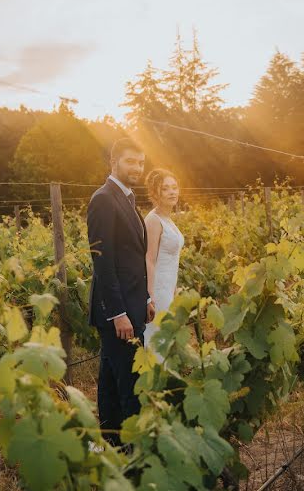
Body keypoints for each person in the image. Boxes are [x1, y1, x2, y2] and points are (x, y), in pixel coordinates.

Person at [86, 138, 154, 447]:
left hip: (133, 305)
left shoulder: (127, 198)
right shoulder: (103, 199)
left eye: (141, 163)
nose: (137, 168)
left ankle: (110, 446)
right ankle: (131, 452)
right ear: (114, 163)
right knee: (129, 386)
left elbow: (132, 257)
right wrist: (118, 313)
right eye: (131, 162)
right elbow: (103, 260)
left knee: (111, 383)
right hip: (118, 312)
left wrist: (147, 299)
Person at [142, 168, 184, 360]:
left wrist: (174, 289)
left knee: (166, 342)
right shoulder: (153, 220)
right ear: (155, 192)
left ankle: (164, 385)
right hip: (157, 291)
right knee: (157, 343)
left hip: (168, 289)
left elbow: (172, 260)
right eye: (165, 188)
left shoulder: (168, 219)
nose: (172, 192)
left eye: (174, 187)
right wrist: (150, 296)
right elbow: (149, 259)